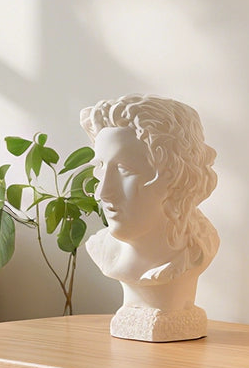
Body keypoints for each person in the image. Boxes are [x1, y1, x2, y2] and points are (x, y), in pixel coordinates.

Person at [80, 95, 219, 341]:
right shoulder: (103, 249)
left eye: (124, 170)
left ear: (175, 178)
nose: (103, 192)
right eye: (100, 168)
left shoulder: (198, 249)